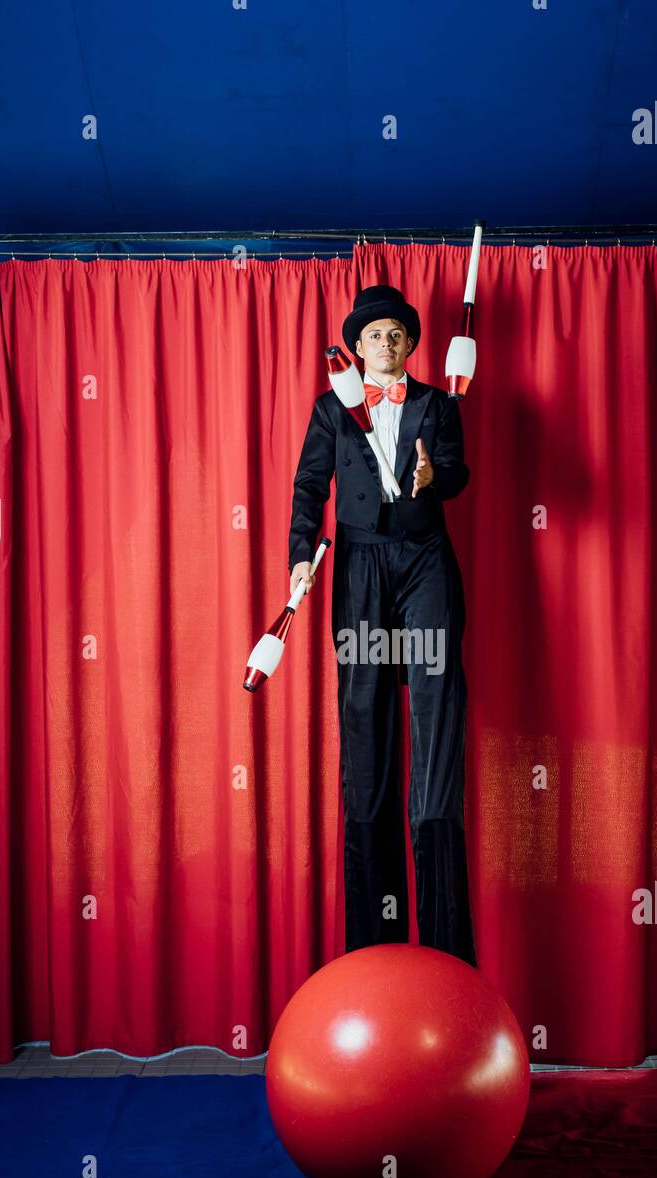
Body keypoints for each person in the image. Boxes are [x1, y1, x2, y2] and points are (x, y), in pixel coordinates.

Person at [288, 284, 477, 966]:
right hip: (359, 569)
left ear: (409, 345)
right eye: (374, 336)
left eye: (397, 335)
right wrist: (298, 560)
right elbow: (310, 490)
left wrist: (434, 476)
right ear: (358, 345)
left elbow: (457, 474)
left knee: (436, 727)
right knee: (365, 731)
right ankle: (373, 957)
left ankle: (447, 958)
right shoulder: (332, 410)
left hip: (425, 566)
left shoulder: (436, 405)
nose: (386, 345)